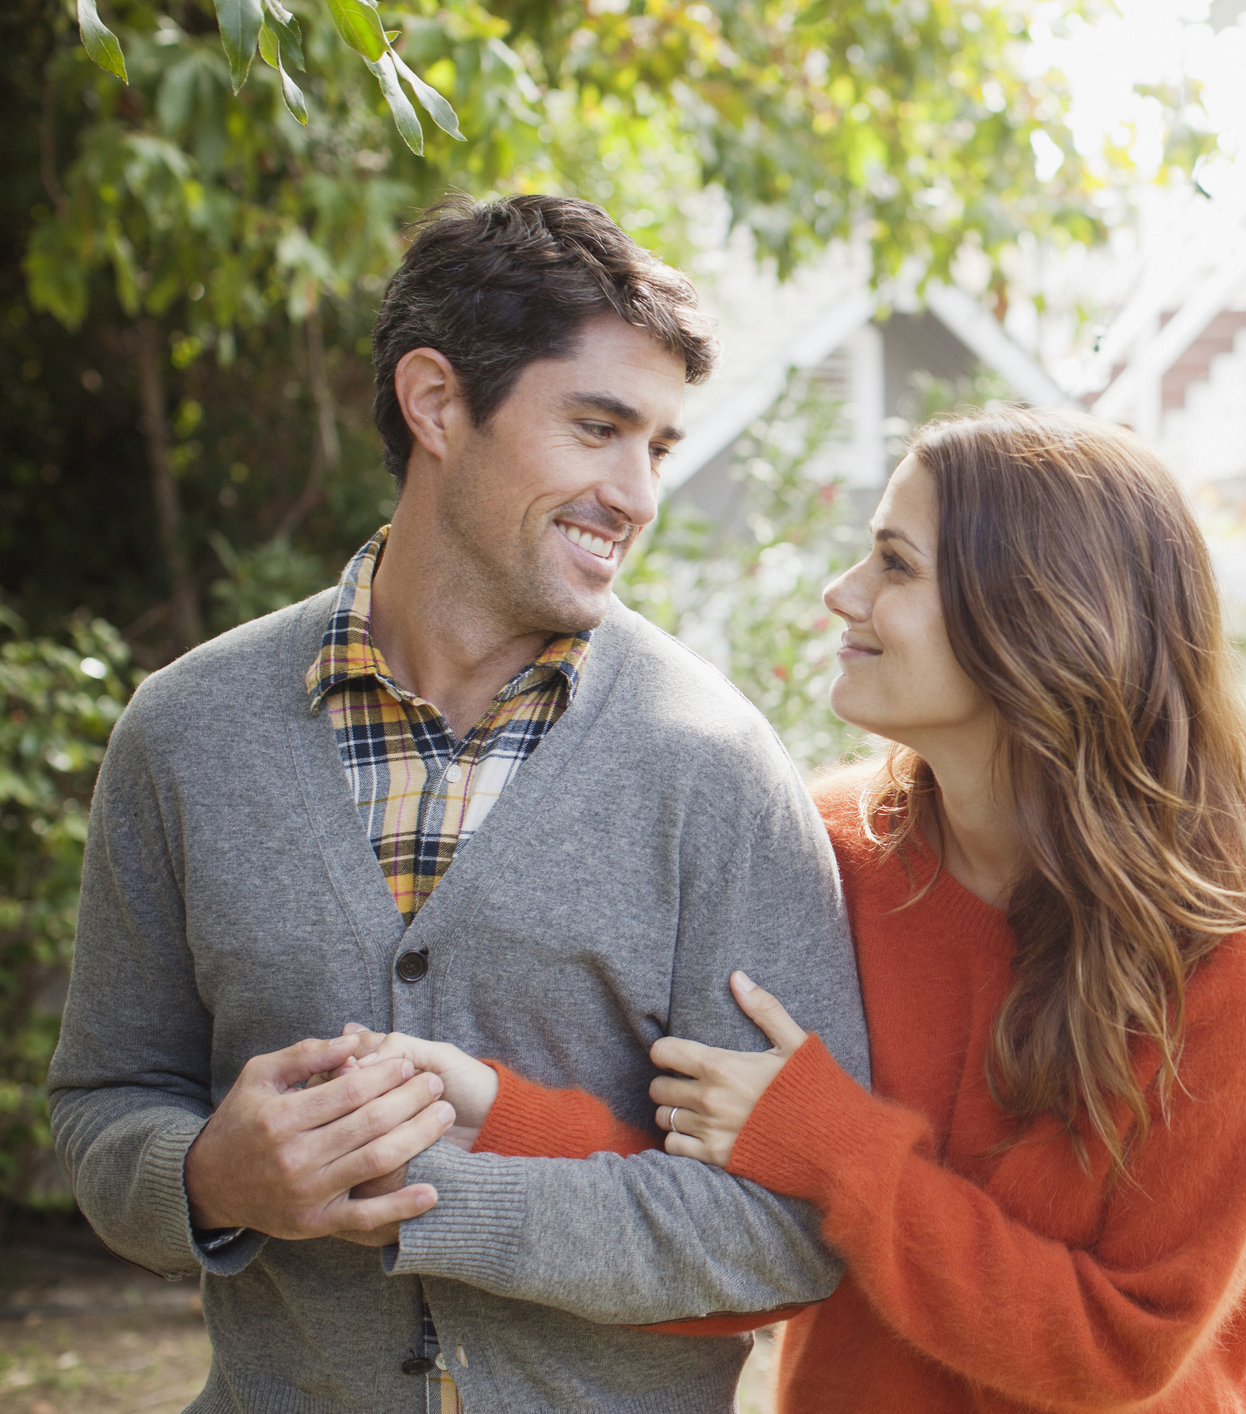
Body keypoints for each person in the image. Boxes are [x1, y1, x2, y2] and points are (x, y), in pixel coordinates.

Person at [45, 194, 868, 1414]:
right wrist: (207, 1177)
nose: (634, 493)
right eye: (598, 428)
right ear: (436, 403)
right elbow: (106, 1104)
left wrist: (446, 1196)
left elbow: (799, 1222)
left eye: (657, 446)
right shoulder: (184, 734)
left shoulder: (715, 767)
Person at [362, 408, 1246, 1411]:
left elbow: (1120, 1349)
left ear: (1039, 615)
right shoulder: (823, 850)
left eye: (895, 565)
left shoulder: (1231, 953)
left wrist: (836, 1147)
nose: (842, 592)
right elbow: (730, 1219)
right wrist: (498, 1116)